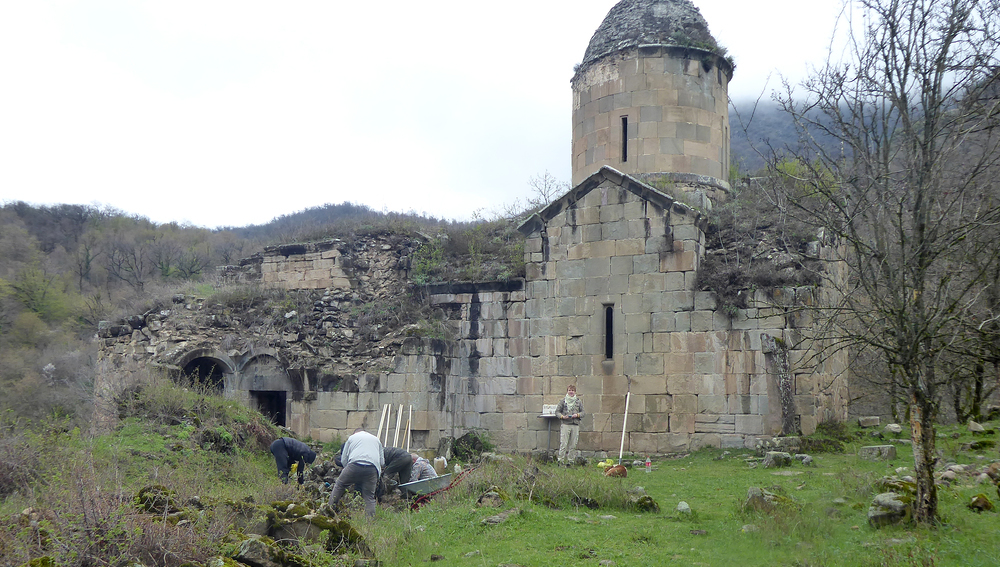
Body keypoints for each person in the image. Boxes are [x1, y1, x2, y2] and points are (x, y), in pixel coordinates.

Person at [328, 428, 384, 517]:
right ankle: (370, 521)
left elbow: (344, 459)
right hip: (372, 468)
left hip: (354, 464)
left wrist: (347, 470)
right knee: (369, 496)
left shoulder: (352, 438)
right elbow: (382, 462)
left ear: (355, 433)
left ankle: (329, 510)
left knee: (340, 485)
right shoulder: (376, 440)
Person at [556, 384, 584, 466]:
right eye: (569, 390)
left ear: (575, 392)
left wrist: (577, 415)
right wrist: (562, 417)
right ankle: (560, 461)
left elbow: (583, 412)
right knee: (563, 444)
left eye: (572, 390)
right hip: (565, 424)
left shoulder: (578, 401)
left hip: (575, 425)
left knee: (573, 444)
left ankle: (570, 461)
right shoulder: (563, 401)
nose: (571, 392)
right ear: (567, 391)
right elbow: (557, 412)